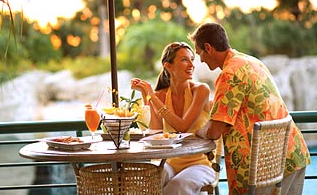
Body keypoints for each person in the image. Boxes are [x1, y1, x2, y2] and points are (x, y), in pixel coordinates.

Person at [189, 22, 311, 195]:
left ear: (208, 48)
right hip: (292, 155)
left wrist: (198, 131)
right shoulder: (251, 61)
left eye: (199, 53)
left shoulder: (230, 74)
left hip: (263, 168)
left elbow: (215, 131)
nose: (200, 59)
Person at [130, 41, 217, 195]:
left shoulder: (201, 90)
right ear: (168, 66)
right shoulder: (160, 95)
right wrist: (147, 96)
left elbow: (182, 126)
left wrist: (152, 96)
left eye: (192, 59)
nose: (191, 64)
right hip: (168, 161)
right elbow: (155, 131)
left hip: (201, 164)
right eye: (184, 60)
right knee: (149, 181)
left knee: (177, 186)